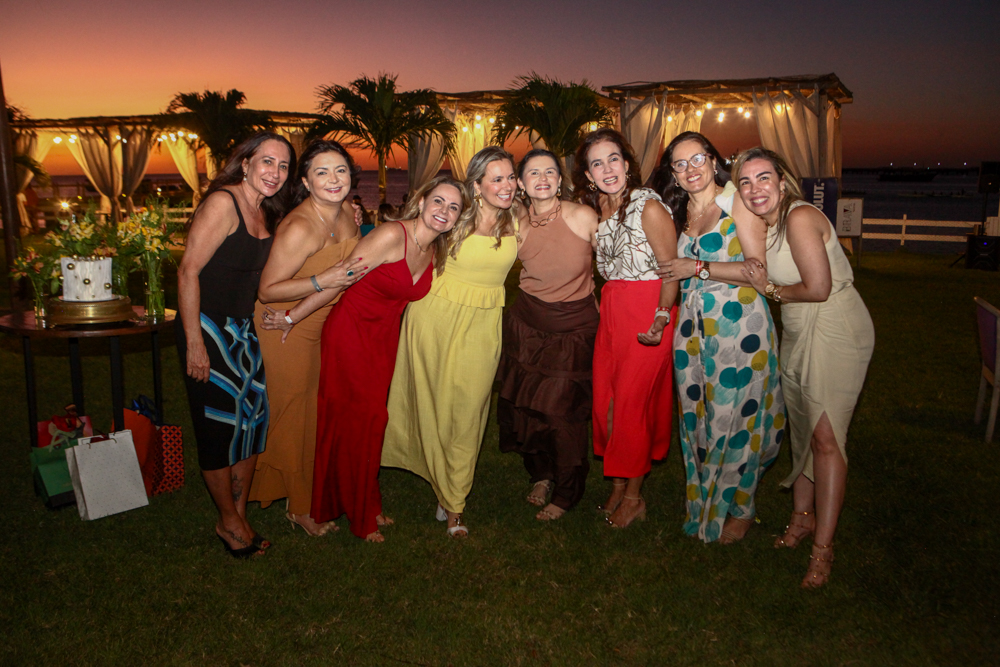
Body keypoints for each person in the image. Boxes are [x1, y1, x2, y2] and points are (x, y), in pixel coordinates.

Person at [284, 176, 469, 541]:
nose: (444, 211)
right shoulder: (390, 235)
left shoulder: (435, 250)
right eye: (438, 201)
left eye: (453, 207)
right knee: (360, 420)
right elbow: (339, 278)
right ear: (421, 201)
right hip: (350, 334)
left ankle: (367, 502)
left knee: (371, 422)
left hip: (383, 341)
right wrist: (293, 317)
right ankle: (361, 515)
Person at [732, 147, 874, 587]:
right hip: (797, 326)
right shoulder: (770, 223)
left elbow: (817, 287)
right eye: (745, 182)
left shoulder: (799, 218)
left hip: (834, 326)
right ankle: (801, 518)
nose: (755, 189)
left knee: (826, 437)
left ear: (783, 180)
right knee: (805, 430)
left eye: (763, 178)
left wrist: (769, 289)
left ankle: (823, 549)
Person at [652, 131, 785, 544]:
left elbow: (757, 270)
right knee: (699, 418)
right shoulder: (679, 213)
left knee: (737, 417)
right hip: (693, 329)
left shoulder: (736, 202)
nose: (690, 169)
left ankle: (741, 507)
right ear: (673, 173)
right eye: (680, 164)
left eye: (697, 159)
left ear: (713, 161)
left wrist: (697, 268)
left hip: (738, 326)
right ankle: (705, 500)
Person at [381, 146, 520, 537]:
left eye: (511, 177)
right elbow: (409, 235)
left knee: (468, 410)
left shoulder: (519, 219)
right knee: (430, 403)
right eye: (497, 178)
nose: (507, 185)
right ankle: (447, 492)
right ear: (477, 185)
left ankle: (454, 497)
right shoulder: (455, 218)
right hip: (433, 317)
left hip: (483, 322)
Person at [175, 132, 295, 558]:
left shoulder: (267, 211)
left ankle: (240, 516)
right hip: (208, 329)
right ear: (245, 164)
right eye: (267, 161)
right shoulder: (223, 203)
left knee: (252, 423)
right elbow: (188, 271)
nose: (275, 172)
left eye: (283, 166)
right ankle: (227, 521)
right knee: (217, 427)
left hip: (243, 331)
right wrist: (194, 342)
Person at [249, 140, 365, 536]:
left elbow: (350, 271)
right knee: (293, 414)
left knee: (311, 412)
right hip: (283, 328)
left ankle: (294, 491)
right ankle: (300, 507)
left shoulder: (347, 211)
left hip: (317, 323)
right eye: (322, 172)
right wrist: (321, 279)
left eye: (340, 170)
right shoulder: (300, 227)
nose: (333, 179)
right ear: (305, 182)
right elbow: (268, 290)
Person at [572, 129, 678, 529]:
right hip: (614, 311)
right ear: (588, 174)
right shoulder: (598, 207)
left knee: (632, 406)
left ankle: (634, 498)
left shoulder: (648, 206)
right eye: (597, 163)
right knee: (607, 403)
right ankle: (618, 484)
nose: (607, 169)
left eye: (613, 159)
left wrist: (661, 317)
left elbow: (671, 270)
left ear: (627, 163)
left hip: (649, 310)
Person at [496, 149, 599, 521]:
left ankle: (568, 490)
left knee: (561, 414)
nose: (542, 178)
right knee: (525, 409)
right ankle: (540, 474)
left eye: (550, 171)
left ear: (560, 180)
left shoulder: (582, 216)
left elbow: (619, 260)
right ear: (521, 184)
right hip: (526, 326)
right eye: (533, 173)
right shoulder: (515, 221)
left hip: (573, 330)